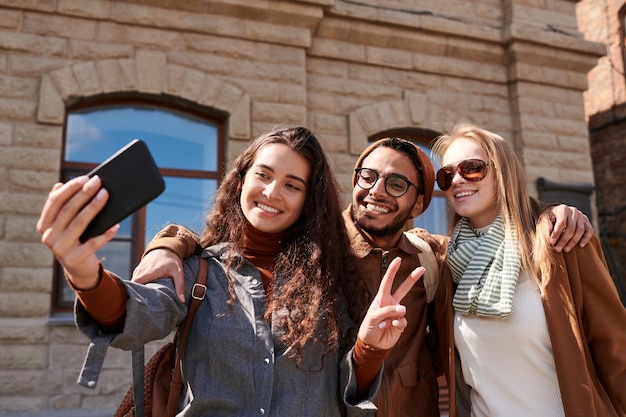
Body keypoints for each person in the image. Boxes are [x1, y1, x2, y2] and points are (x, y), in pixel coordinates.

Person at [133, 132, 593, 416]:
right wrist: (170, 241)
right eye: (366, 176)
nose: (376, 191)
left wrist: (552, 213)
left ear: (418, 205)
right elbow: (243, 235)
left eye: (397, 184)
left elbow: (487, 243)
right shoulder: (313, 246)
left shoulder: (430, 256)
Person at [36, 127, 426, 417]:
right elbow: (136, 315)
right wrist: (83, 270)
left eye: (292, 185)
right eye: (263, 175)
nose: (272, 193)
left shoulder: (331, 280)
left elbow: (343, 392)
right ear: (241, 179)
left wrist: (370, 348)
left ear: (308, 201)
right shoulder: (199, 268)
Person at [431, 123, 626, 417]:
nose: (457, 179)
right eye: (447, 175)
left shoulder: (563, 240)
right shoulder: (450, 264)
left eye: (471, 168)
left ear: (502, 171)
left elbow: (616, 349)